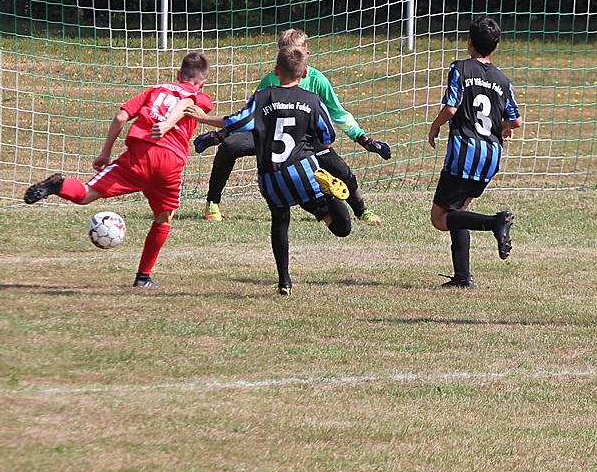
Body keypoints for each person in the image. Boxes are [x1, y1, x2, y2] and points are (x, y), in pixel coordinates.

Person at [23, 51, 214, 289]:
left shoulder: (155, 90)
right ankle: (143, 277)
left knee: (87, 193)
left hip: (138, 157)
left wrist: (105, 152)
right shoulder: (200, 96)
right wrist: (167, 124)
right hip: (169, 162)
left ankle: (58, 186)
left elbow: (121, 116)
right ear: (203, 82)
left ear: (178, 74)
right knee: (164, 218)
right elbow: (187, 102)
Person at [192, 44, 353, 294]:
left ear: (276, 70)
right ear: (304, 73)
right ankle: (330, 195)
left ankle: (284, 282)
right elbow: (328, 136)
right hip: (303, 173)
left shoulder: (263, 96)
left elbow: (236, 123)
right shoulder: (312, 100)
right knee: (341, 228)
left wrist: (202, 118)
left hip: (271, 178)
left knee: (280, 221)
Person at [196, 28, 390, 224]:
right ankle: (212, 202)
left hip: (304, 141)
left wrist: (362, 138)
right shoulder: (270, 80)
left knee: (338, 167)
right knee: (230, 147)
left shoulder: (318, 80)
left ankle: (361, 210)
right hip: (271, 137)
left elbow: (338, 113)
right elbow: (251, 116)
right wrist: (222, 135)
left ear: (306, 54)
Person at [426, 17, 521, 288]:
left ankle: (495, 222)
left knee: (439, 219)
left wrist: (435, 126)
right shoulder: (503, 80)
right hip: (491, 155)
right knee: (458, 212)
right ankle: (462, 277)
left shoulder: (460, 68)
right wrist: (502, 127)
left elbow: (451, 108)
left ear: (469, 42)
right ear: (496, 46)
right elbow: (516, 121)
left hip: (465, 153)